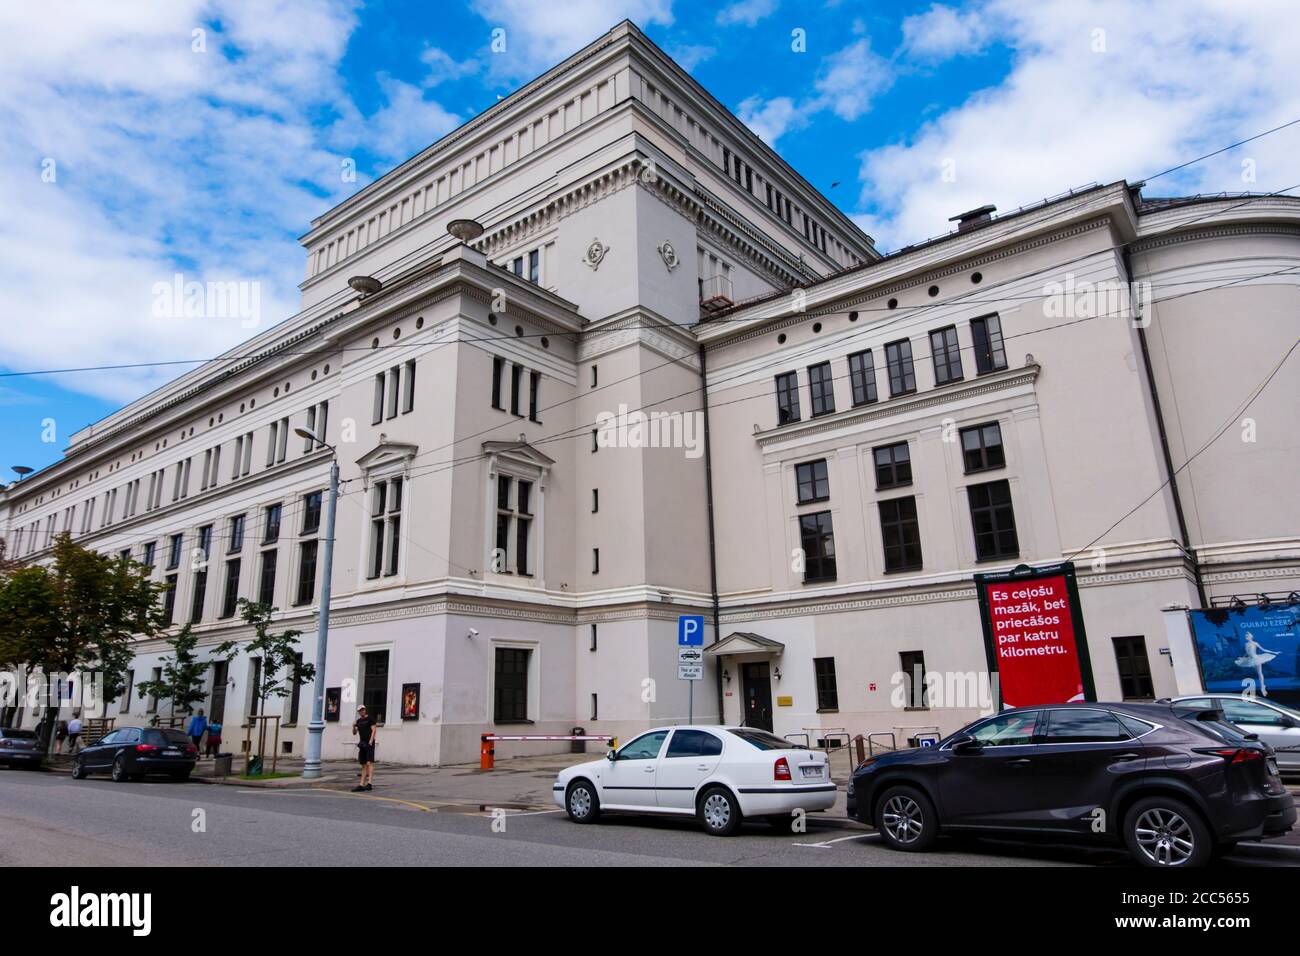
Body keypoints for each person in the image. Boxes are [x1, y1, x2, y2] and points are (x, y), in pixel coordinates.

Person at [352, 705, 377, 792]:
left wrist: (371, 740)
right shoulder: (358, 721)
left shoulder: (370, 719)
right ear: (358, 712)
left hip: (369, 743)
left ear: (365, 710)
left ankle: (369, 783)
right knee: (363, 764)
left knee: (369, 762)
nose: (362, 711)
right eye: (360, 710)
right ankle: (361, 784)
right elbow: (354, 733)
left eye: (363, 710)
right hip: (362, 743)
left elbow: (374, 730)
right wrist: (353, 726)